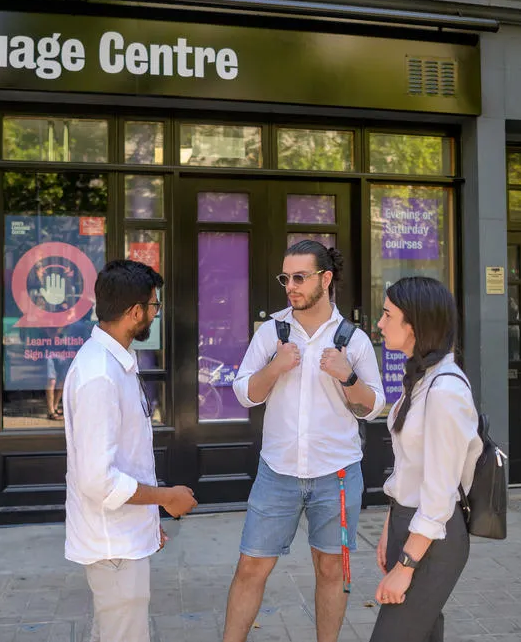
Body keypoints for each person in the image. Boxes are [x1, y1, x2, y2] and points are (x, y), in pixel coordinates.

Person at [223, 240, 386, 642]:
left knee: (332, 570)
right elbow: (245, 392)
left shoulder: (353, 339)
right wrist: (275, 367)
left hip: (338, 477)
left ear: (325, 279)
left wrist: (348, 376)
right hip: (277, 473)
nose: (290, 286)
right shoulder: (272, 332)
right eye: (286, 278)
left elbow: (374, 407)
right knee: (250, 568)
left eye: (300, 277)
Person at [64, 259, 197, 642]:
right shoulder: (99, 376)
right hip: (112, 545)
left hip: (123, 538)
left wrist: (147, 522)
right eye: (154, 306)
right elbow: (98, 482)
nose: (155, 314)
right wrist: (166, 498)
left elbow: (125, 460)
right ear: (135, 312)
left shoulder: (114, 362)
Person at [370, 276, 483, 642]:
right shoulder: (422, 379)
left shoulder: (445, 390)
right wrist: (391, 529)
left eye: (388, 315)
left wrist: (406, 565)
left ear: (415, 324)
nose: (380, 324)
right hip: (410, 525)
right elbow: (408, 468)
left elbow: (439, 493)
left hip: (433, 538)